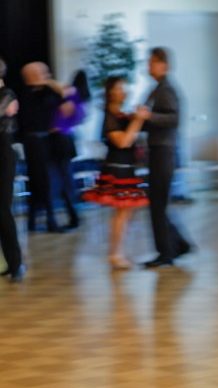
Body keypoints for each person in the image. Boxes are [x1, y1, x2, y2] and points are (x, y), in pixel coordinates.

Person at [82, 77, 151, 270]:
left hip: (126, 168)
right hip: (117, 169)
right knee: (122, 212)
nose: (124, 91)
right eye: (120, 88)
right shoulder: (109, 116)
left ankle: (117, 252)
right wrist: (137, 120)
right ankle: (115, 254)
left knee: (125, 213)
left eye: (124, 88)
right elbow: (123, 142)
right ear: (111, 92)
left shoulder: (120, 115)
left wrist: (136, 118)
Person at [141, 47, 193, 268]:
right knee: (158, 203)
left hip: (164, 151)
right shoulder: (157, 89)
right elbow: (152, 119)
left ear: (165, 65)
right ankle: (178, 245)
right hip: (158, 150)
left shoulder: (166, 89)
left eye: (153, 62)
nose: (149, 66)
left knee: (158, 204)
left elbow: (173, 119)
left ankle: (167, 253)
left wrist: (148, 116)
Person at [18, 62, 76, 233]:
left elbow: (68, 105)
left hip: (48, 142)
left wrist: (50, 83)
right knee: (39, 182)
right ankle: (42, 221)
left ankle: (49, 220)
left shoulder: (49, 92)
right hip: (33, 143)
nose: (45, 74)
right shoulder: (22, 94)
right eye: (41, 72)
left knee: (50, 181)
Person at [49, 69, 90, 231]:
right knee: (67, 179)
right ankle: (74, 215)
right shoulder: (82, 97)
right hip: (68, 138)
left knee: (63, 180)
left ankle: (74, 217)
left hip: (60, 139)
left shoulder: (71, 92)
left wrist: (48, 81)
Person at [0, 57, 25, 282]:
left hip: (3, 155)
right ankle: (10, 262)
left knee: (3, 210)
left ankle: (16, 263)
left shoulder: (7, 93)